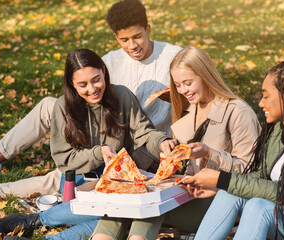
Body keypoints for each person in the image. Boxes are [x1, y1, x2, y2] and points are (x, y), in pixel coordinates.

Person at [0, 0, 181, 197]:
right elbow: (90, 94)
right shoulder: (109, 61)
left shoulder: (174, 57)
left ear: (148, 29)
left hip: (143, 143)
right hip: (106, 130)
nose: (132, 46)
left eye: (138, 37)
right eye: (124, 40)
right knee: (48, 105)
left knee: (63, 176)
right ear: (116, 37)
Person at [0, 48, 174, 240]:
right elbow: (64, 160)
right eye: (83, 84)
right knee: (115, 212)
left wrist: (162, 142)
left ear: (104, 71)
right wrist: (98, 152)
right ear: (72, 84)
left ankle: (37, 223)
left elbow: (144, 133)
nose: (92, 89)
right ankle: (39, 220)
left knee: (119, 213)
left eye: (96, 79)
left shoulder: (122, 96)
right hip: (78, 179)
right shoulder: (64, 107)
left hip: (116, 179)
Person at [90, 46, 261, 240]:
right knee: (129, 199)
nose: (182, 90)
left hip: (217, 202)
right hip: (186, 193)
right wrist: (170, 154)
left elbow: (250, 170)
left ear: (205, 75)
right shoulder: (190, 108)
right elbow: (185, 165)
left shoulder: (238, 111)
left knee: (150, 206)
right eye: (178, 85)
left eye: (188, 83)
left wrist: (209, 154)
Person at [181, 62, 284, 240]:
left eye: (266, 97)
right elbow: (261, 176)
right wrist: (219, 185)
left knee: (258, 207)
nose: (260, 103)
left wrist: (222, 179)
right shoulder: (279, 128)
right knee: (229, 193)